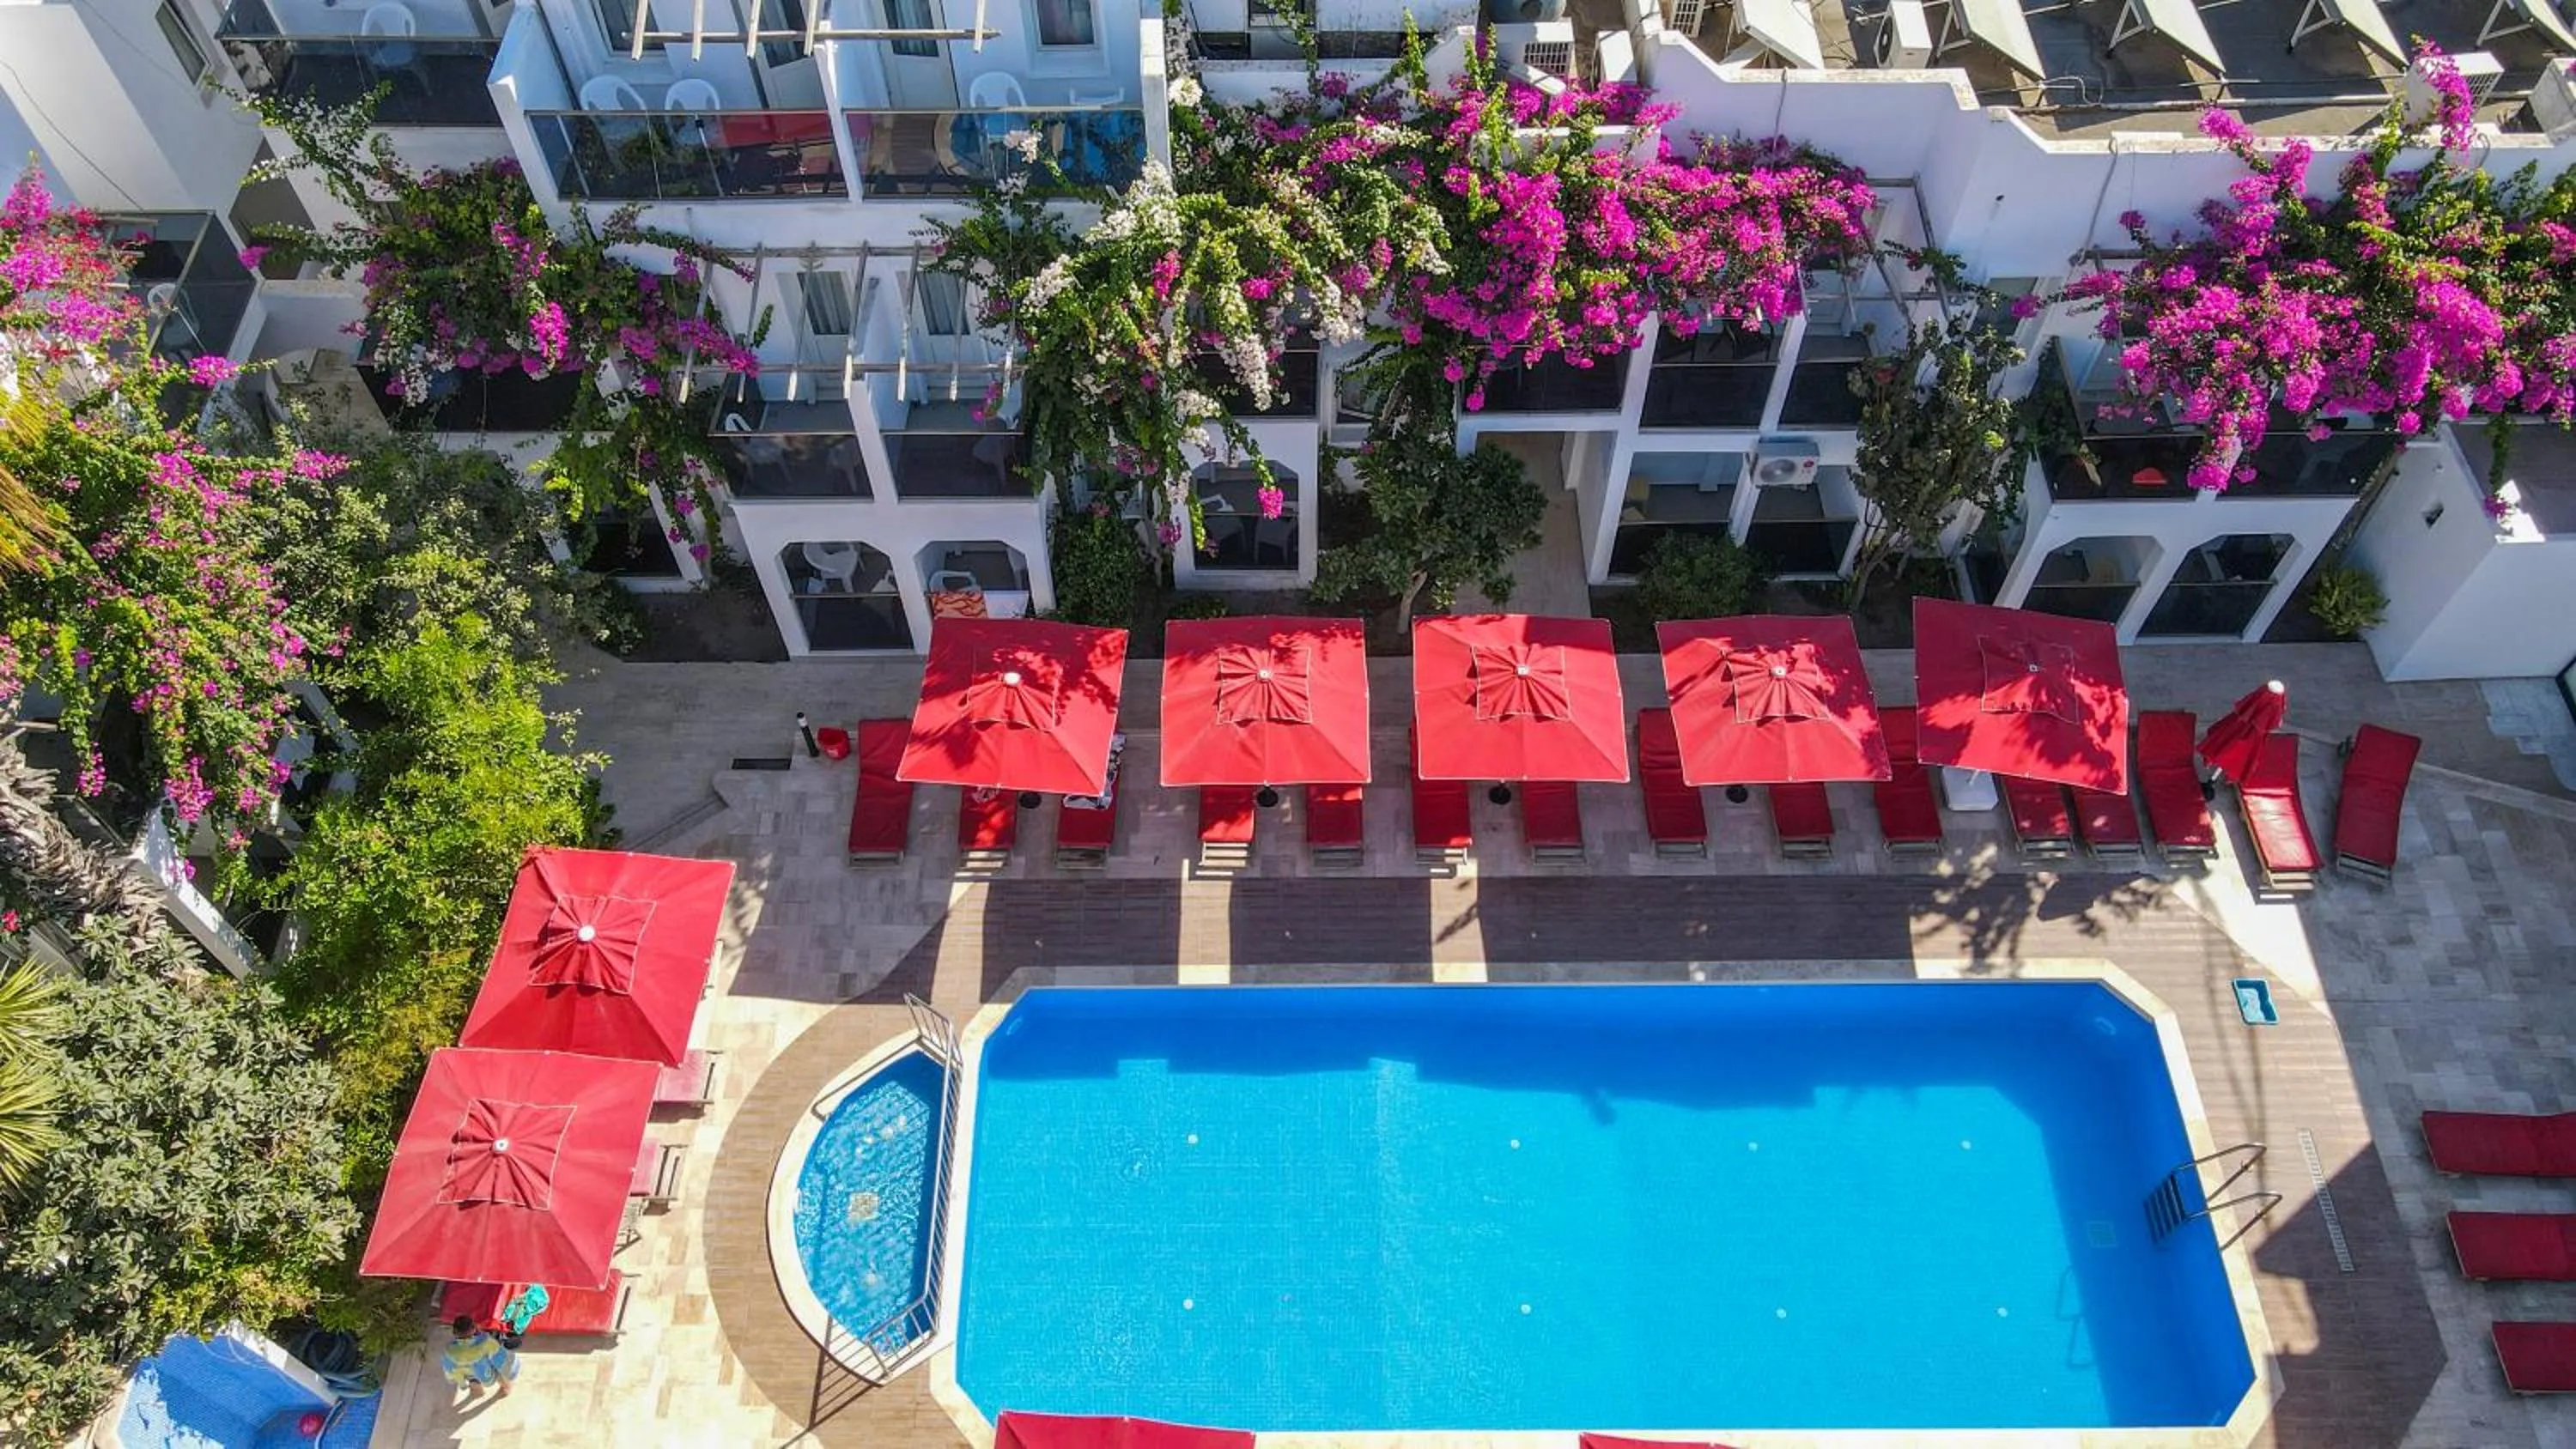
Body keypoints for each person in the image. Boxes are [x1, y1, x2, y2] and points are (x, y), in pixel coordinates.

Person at [441, 1314, 519, 1399]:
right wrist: (511, 1372)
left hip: (469, 1374)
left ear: (455, 1333)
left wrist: (454, 1379)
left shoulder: (450, 1351)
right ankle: (506, 1388)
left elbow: (449, 1368)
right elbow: (502, 1360)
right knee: (500, 1375)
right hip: (485, 1373)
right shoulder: (486, 1343)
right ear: (474, 1328)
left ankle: (478, 1392)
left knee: (474, 1381)